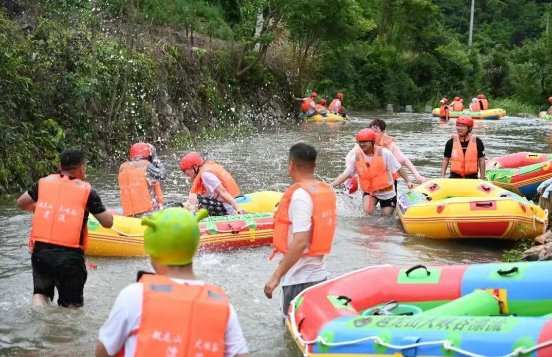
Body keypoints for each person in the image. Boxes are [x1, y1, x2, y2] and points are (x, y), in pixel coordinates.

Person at [95, 208, 249, 357]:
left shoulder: (134, 296)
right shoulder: (223, 306)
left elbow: (104, 352)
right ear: (195, 249)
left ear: (151, 249)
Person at [16, 149, 114, 308]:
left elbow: (21, 203)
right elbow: (107, 222)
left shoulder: (43, 183)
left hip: (41, 252)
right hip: (69, 256)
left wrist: (43, 208)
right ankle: (66, 332)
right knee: (71, 307)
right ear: (82, 168)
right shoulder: (87, 191)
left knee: (41, 295)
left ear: (60, 165)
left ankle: (38, 323)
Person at [264, 143, 336, 317]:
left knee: (290, 334)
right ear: (315, 166)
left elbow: (300, 241)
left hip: (299, 281)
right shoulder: (324, 192)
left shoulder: (300, 197)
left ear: (291, 165)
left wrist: (276, 276)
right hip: (320, 277)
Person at [330, 129, 416, 216]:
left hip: (387, 192)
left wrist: (408, 181)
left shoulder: (385, 153)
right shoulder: (356, 157)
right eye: (360, 142)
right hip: (370, 192)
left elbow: (399, 169)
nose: (362, 144)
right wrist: (331, 185)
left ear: (373, 141)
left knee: (386, 217)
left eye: (365, 141)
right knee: (367, 214)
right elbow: (346, 174)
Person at [179, 152, 245, 216]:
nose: (187, 175)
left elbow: (223, 191)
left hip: (226, 208)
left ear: (195, 166)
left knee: (193, 198)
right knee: (187, 203)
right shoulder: (205, 170)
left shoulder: (206, 175)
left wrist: (238, 209)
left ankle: (192, 220)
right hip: (220, 206)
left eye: (186, 171)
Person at [369, 119, 426, 184]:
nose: (373, 134)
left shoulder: (390, 145)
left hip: (388, 182)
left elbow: (404, 160)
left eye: (375, 131)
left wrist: (417, 176)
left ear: (383, 132)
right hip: (371, 181)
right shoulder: (365, 143)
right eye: (371, 131)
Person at [118, 142, 167, 216]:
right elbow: (162, 175)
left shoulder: (122, 167)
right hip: (146, 212)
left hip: (128, 214)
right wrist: (156, 159)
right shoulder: (145, 164)